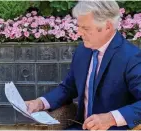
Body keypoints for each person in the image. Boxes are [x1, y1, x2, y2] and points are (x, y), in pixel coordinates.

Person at [25, 1, 141, 130]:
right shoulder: (83, 51)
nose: (79, 33)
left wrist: (111, 118)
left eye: (85, 28)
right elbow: (68, 87)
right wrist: (40, 103)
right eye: (79, 27)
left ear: (107, 26)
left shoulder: (131, 57)